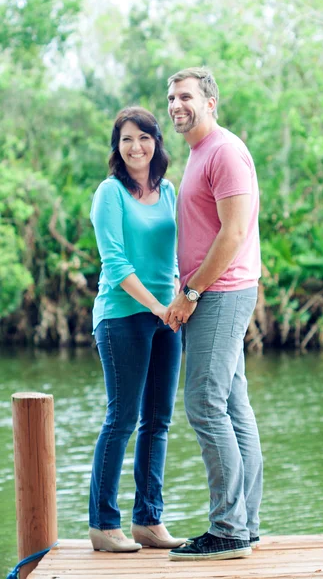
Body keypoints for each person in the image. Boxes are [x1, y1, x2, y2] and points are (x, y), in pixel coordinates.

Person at [165, 68, 263, 561]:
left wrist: (191, 292)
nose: (176, 104)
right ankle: (244, 523)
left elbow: (234, 231)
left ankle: (227, 530)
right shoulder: (199, 153)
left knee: (204, 402)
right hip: (218, 293)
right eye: (171, 97)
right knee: (230, 404)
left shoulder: (224, 151)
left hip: (219, 293)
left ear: (211, 102)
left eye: (185, 96)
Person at [88, 106, 185, 553]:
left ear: (156, 143)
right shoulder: (110, 193)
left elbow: (180, 252)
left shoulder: (167, 191)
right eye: (126, 139)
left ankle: (148, 521)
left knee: (158, 421)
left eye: (144, 137)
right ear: (117, 146)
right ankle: (104, 526)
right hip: (123, 316)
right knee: (122, 418)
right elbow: (116, 261)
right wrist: (157, 307)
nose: (136, 146)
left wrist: (181, 302)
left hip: (168, 317)